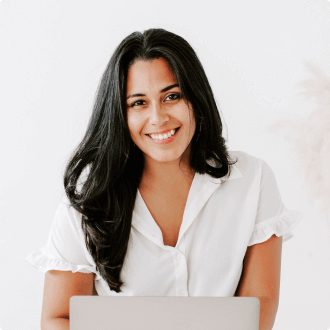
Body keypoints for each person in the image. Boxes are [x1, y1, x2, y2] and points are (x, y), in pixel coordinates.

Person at [26, 28, 303, 330]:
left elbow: (260, 301)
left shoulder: (253, 180)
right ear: (120, 113)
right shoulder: (86, 202)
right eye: (138, 103)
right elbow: (59, 317)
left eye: (172, 96)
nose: (158, 118)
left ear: (195, 98)